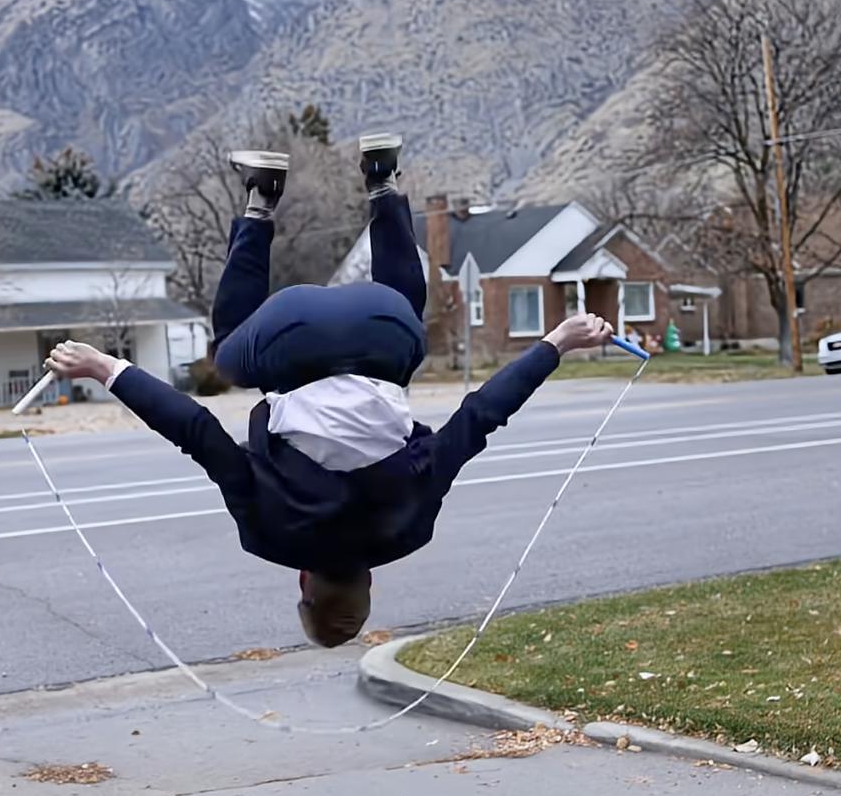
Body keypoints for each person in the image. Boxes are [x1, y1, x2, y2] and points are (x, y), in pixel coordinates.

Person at [45, 135, 613, 647]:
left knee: (405, 323)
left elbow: (479, 416)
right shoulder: (268, 536)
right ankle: (261, 199)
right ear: (304, 584)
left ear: (368, 582)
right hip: (289, 331)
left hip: (382, 323)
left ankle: (383, 181)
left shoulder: (412, 529)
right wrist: (105, 368)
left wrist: (556, 342)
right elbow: (197, 433)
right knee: (228, 349)